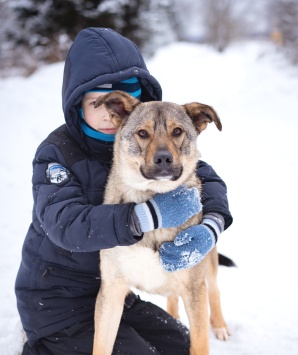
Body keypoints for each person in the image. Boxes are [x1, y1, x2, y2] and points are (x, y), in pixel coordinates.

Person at [15, 27, 233, 355]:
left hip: (119, 295)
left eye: (121, 100)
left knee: (179, 345)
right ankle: (43, 346)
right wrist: (148, 216)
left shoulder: (147, 145)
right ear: (77, 104)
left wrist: (210, 226)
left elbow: (208, 181)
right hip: (56, 301)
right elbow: (67, 225)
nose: (108, 114)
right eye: (96, 102)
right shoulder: (57, 152)